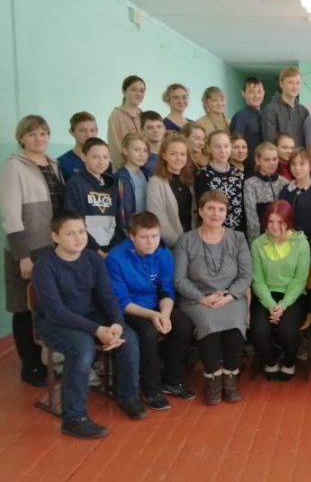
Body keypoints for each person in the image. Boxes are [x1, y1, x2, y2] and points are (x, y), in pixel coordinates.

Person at [33, 212, 144, 439]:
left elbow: (107, 296)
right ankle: (74, 419)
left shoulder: (93, 259)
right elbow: (56, 312)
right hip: (54, 323)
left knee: (129, 338)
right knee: (82, 348)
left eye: (82, 231)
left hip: (90, 316)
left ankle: (128, 397)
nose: (78, 237)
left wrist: (116, 323)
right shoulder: (44, 266)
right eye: (70, 233)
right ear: (55, 236)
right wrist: (97, 330)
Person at [106, 211, 195, 410]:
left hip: (156, 303)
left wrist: (164, 314)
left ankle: (172, 380)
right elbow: (121, 301)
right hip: (131, 309)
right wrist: (154, 316)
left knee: (183, 325)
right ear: (132, 236)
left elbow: (166, 289)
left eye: (155, 236)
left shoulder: (163, 253)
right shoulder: (115, 258)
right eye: (144, 237)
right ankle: (151, 389)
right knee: (148, 333)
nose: (151, 242)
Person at [1, 115, 64, 386]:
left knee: (47, 306)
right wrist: (22, 256)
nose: (38, 138)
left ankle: (49, 360)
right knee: (24, 307)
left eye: (43, 133)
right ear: (21, 138)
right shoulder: (13, 166)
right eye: (31, 134)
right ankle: (30, 366)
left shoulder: (54, 164)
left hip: (53, 247)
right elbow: (11, 216)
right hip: (27, 249)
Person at [174, 191, 252, 405]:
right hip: (197, 299)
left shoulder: (238, 238)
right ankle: (213, 378)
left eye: (220, 209)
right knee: (208, 322)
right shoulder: (186, 240)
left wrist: (230, 296)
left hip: (231, 296)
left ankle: (230, 377)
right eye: (210, 208)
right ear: (200, 211)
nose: (215, 213)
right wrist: (202, 298)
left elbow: (246, 275)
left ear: (226, 213)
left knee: (235, 321)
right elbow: (179, 279)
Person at [250, 200, 311, 380]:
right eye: (270, 221)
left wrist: (283, 305)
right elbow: (257, 280)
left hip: (293, 296)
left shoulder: (301, 243)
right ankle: (271, 359)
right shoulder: (257, 244)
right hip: (265, 296)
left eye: (280, 222)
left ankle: (290, 361)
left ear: (289, 222)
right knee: (258, 333)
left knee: (287, 331)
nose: (274, 226)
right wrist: (271, 305)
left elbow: (300, 279)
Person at [63, 137, 121, 255]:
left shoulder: (112, 184)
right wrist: (97, 250)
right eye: (95, 157)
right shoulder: (75, 184)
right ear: (83, 157)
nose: (101, 162)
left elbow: (118, 218)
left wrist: (113, 249)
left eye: (105, 157)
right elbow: (73, 220)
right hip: (86, 249)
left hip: (111, 249)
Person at [147, 133, 196, 248]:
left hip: (192, 242)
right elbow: (158, 219)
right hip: (172, 245)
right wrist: (181, 243)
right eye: (173, 154)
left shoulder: (190, 181)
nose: (179, 158)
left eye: (182, 154)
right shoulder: (156, 182)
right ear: (164, 155)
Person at [280, 148, 311, 259]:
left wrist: (309, 250)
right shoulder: (285, 191)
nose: (297, 168)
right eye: (293, 164)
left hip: (309, 250)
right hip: (286, 247)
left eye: (302, 164)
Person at [194, 130, 245, 232]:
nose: (223, 151)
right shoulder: (203, 175)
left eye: (226, 146)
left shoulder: (238, 174)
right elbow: (203, 206)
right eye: (217, 147)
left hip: (238, 230)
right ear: (209, 148)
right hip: (213, 230)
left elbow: (243, 206)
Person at [244, 142, 289, 242]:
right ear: (258, 160)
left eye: (274, 159)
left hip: (282, 236)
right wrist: (255, 243)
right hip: (262, 237)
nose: (271, 163)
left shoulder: (284, 182)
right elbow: (251, 218)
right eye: (267, 160)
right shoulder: (250, 184)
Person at [261, 66, 309, 146]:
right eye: (290, 82)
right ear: (281, 84)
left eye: (298, 83)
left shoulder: (304, 111)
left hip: (300, 154)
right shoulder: (270, 110)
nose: (294, 87)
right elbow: (270, 143)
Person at [116, 132, 149, 237]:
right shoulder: (122, 177)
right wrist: (130, 236)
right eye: (136, 150)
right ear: (125, 151)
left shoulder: (145, 174)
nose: (141, 154)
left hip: (146, 230)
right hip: (133, 233)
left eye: (145, 150)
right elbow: (123, 213)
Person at [108, 75, 145, 167]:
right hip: (125, 168)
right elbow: (115, 146)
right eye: (134, 90)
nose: (138, 94)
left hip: (143, 168)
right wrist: (125, 168)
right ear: (124, 91)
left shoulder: (142, 114)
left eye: (141, 91)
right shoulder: (116, 115)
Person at [230, 77, 264, 172]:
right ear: (243, 93)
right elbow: (236, 145)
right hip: (246, 169)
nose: (256, 96)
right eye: (251, 92)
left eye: (259, 92)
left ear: (263, 93)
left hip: (262, 167)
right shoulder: (241, 116)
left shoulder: (264, 115)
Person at [57, 111, 102, 181]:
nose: (89, 135)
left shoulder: (104, 162)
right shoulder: (61, 163)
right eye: (82, 131)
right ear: (71, 132)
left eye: (92, 130)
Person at [140, 111, 166, 176]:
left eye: (159, 126)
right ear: (142, 130)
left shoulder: (173, 152)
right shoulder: (140, 157)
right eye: (150, 127)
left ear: (164, 128)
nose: (155, 130)